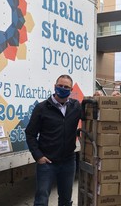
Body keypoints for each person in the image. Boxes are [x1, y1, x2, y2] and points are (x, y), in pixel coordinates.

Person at [25, 75, 81, 206]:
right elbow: (30, 134)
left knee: (66, 200)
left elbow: (92, 114)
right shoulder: (42, 108)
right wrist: (38, 156)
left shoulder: (76, 107)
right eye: (60, 86)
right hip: (47, 163)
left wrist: (98, 98)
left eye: (66, 87)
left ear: (71, 89)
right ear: (54, 87)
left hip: (68, 161)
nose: (63, 88)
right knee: (41, 200)